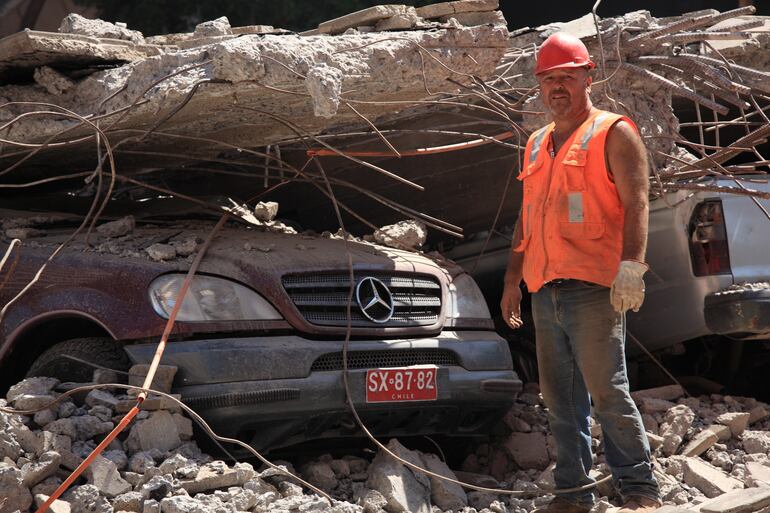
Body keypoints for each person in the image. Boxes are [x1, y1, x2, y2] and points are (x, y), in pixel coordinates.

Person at [500, 32, 661, 513]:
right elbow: (526, 218)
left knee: (607, 391)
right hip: (544, 288)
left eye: (566, 78)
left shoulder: (613, 132)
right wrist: (513, 280)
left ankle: (639, 489)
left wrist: (632, 267)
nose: (557, 88)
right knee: (560, 401)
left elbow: (637, 202)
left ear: (588, 76)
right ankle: (573, 493)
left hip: (594, 287)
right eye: (549, 80)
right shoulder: (534, 144)